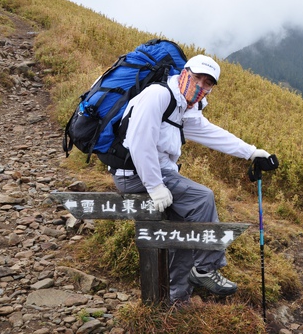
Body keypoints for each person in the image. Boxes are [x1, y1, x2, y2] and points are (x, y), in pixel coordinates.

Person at [109, 54, 272, 304]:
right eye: (197, 77)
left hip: (157, 174)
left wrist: (250, 151)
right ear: (184, 72)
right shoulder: (159, 96)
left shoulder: (184, 106)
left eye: (208, 83)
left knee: (184, 236)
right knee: (201, 198)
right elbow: (141, 143)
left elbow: (210, 133)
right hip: (134, 174)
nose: (201, 86)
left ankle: (177, 298)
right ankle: (206, 269)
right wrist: (155, 186)